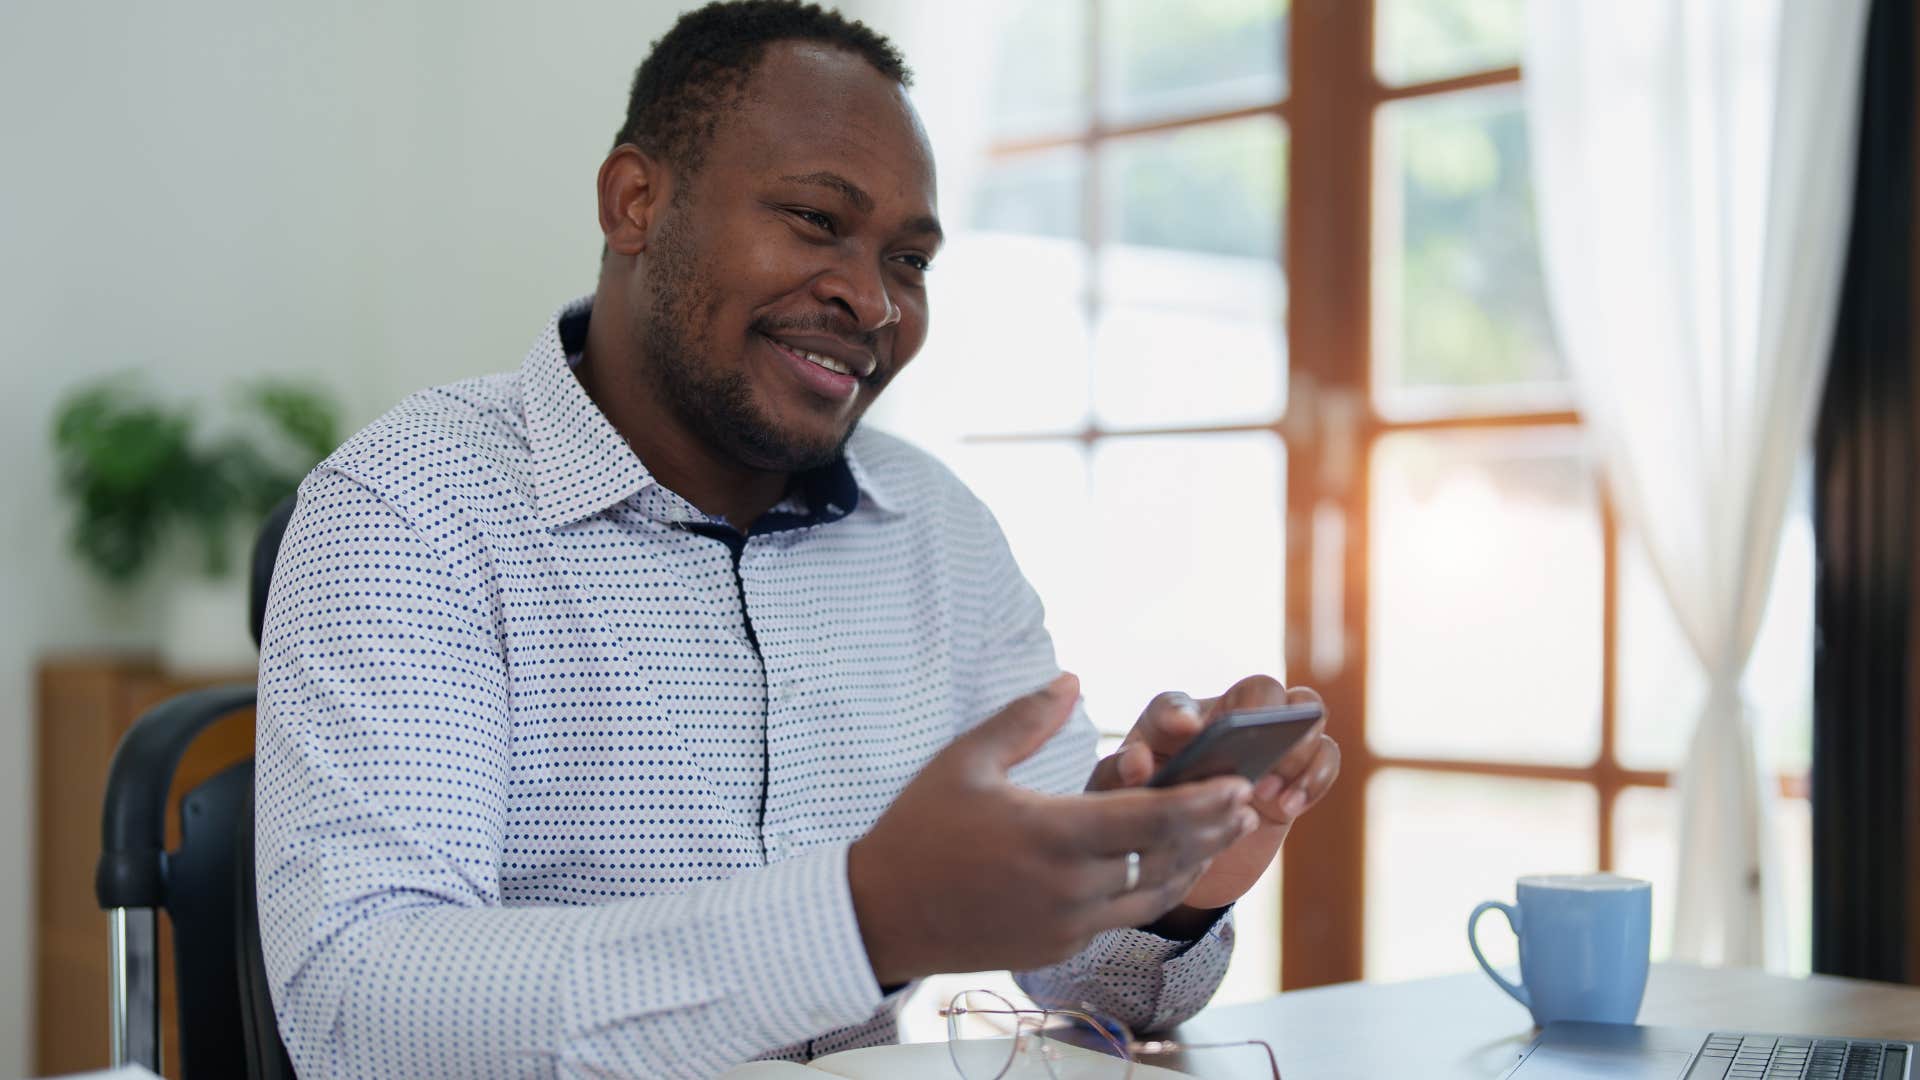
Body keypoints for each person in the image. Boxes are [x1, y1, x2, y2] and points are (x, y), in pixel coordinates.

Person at [254, 2, 1342, 1076]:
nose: (872, 301)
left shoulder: (939, 534)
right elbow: (359, 1013)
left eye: (908, 260)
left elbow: (1092, 993)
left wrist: (1172, 881)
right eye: (818, 220)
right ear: (636, 202)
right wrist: (861, 917)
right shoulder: (405, 510)